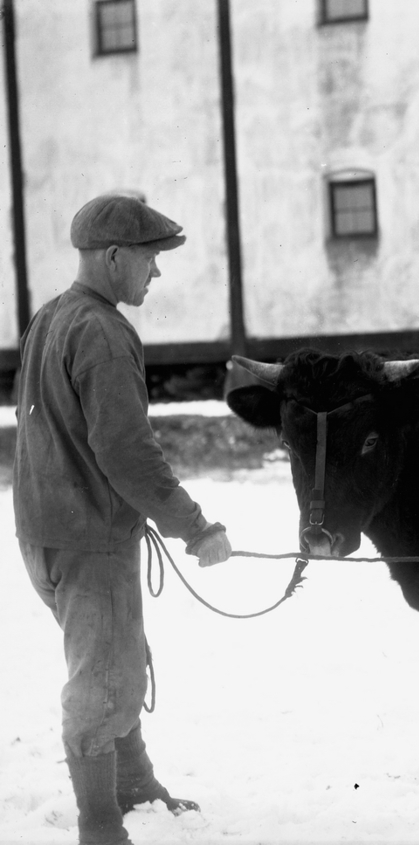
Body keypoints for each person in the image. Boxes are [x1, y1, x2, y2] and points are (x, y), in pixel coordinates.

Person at [12, 193, 234, 845]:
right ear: (113, 257)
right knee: (103, 680)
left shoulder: (50, 317)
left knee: (116, 657)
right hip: (91, 538)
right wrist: (195, 526)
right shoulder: (104, 333)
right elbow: (127, 452)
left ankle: (133, 785)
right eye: (149, 258)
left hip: (45, 534)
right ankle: (101, 826)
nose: (156, 272)